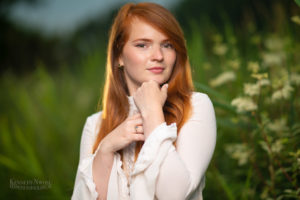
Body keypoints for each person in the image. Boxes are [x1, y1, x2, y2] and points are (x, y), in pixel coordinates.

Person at [72, 2, 216, 200]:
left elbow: (174, 195)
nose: (158, 56)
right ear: (118, 57)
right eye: (142, 45)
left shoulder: (196, 106)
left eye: (167, 45)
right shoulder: (95, 124)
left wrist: (152, 112)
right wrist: (105, 149)